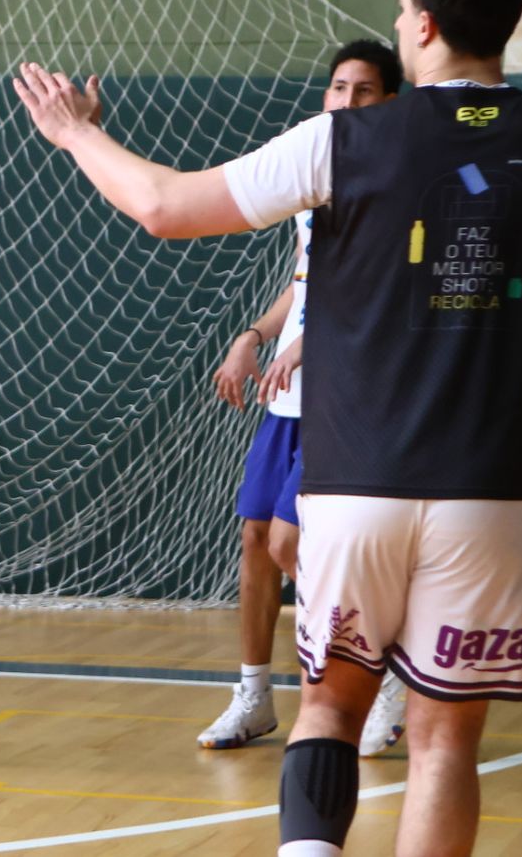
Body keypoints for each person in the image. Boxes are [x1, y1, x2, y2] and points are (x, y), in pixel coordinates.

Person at [13, 0, 522, 856]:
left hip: (352, 482)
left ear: (423, 23)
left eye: (402, 8)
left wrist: (74, 132)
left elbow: (165, 206)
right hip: (493, 491)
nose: (401, 21)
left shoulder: (341, 140)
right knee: (444, 740)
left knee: (329, 711)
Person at [200, 40, 404, 753]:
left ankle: (382, 678)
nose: (348, 101)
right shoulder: (312, 179)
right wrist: (253, 335)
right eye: (338, 87)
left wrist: (307, 344)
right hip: (290, 393)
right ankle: (254, 695)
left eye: (364, 90)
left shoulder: (393, 184)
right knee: (257, 540)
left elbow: (372, 292)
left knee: (294, 545)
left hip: (346, 392)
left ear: (390, 103)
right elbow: (305, 280)